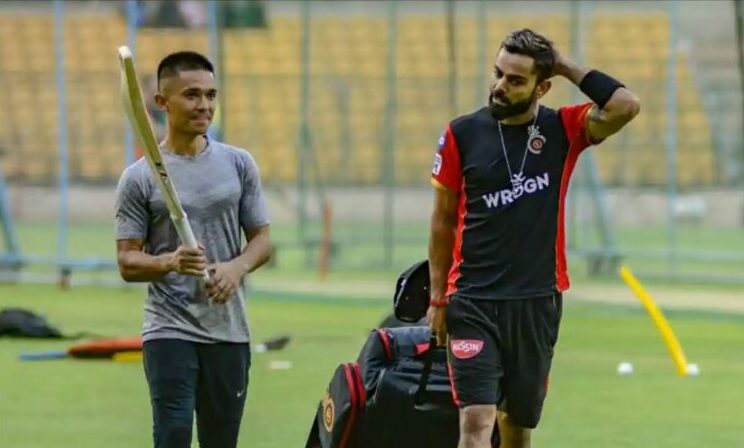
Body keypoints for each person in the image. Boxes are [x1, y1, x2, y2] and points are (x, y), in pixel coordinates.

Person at [427, 29, 640, 448]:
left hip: (536, 300)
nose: (500, 86)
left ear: (542, 87)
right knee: (476, 421)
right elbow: (442, 221)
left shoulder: (563, 128)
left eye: (515, 80)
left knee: (516, 424)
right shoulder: (461, 134)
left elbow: (626, 105)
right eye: (498, 74)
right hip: (473, 299)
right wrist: (437, 299)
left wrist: (564, 65)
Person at [115, 51, 272, 448]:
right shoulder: (138, 179)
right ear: (162, 102)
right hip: (169, 328)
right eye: (191, 95)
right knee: (174, 434)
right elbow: (127, 261)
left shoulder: (239, 164)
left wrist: (236, 268)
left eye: (210, 95)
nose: (204, 105)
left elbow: (262, 241)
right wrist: (170, 261)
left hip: (229, 330)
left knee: (221, 440)